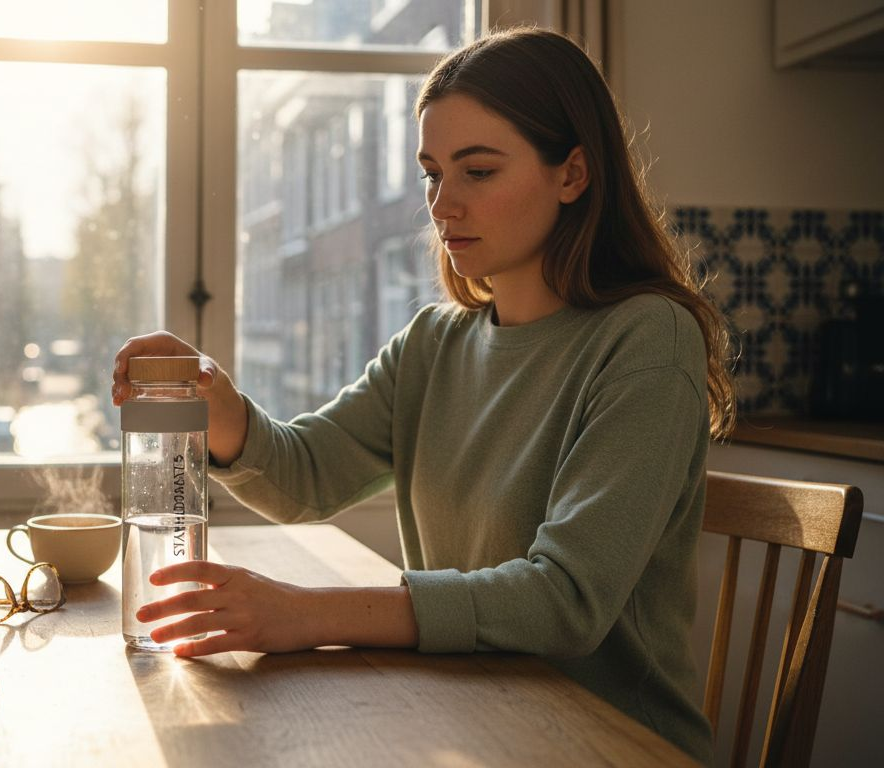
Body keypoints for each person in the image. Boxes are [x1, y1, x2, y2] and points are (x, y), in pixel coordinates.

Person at [111, 27, 732, 764]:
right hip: (473, 721)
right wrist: (224, 407)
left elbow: (564, 600)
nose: (443, 204)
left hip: (610, 745)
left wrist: (303, 614)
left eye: (478, 171)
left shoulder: (647, 340)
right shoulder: (435, 345)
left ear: (573, 173)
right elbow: (306, 475)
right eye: (433, 173)